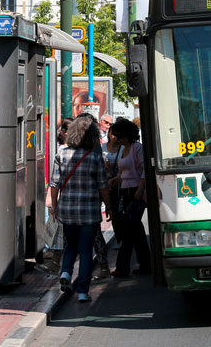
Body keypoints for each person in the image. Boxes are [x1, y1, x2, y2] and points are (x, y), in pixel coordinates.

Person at [50, 115, 114, 302]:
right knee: (86, 250)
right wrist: (109, 207)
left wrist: (55, 206)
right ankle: (83, 292)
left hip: (67, 210)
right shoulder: (95, 157)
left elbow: (54, 184)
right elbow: (103, 186)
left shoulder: (61, 155)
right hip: (89, 211)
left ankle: (65, 273)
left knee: (71, 245)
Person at [109, 118, 152, 277]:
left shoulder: (137, 148)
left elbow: (144, 169)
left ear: (126, 135)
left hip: (135, 191)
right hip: (125, 192)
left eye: (118, 136)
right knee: (136, 230)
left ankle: (123, 267)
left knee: (129, 230)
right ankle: (146, 264)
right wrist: (116, 180)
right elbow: (123, 172)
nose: (116, 139)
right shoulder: (124, 149)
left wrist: (140, 189)